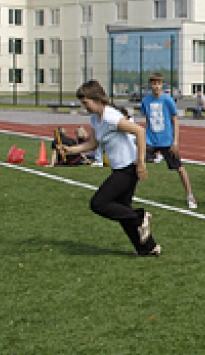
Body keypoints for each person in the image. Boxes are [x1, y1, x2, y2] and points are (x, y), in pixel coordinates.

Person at [61, 80, 160, 256]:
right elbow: (92, 144)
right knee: (122, 209)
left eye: (85, 102)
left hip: (129, 167)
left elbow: (140, 132)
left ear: (97, 99)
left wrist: (141, 162)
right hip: (119, 168)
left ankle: (140, 217)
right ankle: (148, 247)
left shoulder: (110, 116)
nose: (84, 106)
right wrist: (71, 150)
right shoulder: (95, 118)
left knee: (99, 203)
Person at [141, 72, 197, 209]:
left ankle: (190, 195)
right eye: (154, 83)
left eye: (158, 83)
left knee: (179, 168)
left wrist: (175, 141)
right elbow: (147, 120)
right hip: (150, 140)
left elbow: (175, 120)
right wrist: (144, 138)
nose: (156, 86)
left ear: (162, 84)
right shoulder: (146, 101)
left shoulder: (168, 100)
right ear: (150, 85)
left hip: (166, 141)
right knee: (137, 164)